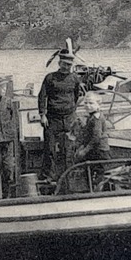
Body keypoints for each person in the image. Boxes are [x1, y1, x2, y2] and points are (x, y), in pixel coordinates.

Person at [38, 51, 90, 186]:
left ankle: (68, 175)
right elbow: (42, 96)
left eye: (69, 65)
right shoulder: (50, 78)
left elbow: (76, 96)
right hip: (52, 119)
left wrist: (71, 110)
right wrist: (42, 114)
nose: (67, 67)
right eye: (65, 64)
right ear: (59, 63)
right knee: (50, 148)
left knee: (69, 148)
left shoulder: (74, 79)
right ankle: (48, 176)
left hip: (69, 119)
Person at [64, 94, 111, 193]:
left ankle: (96, 193)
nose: (87, 105)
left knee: (98, 173)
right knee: (88, 169)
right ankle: (90, 189)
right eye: (85, 103)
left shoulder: (96, 119)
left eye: (91, 103)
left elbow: (96, 138)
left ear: (99, 105)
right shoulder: (92, 117)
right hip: (95, 149)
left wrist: (85, 150)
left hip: (99, 150)